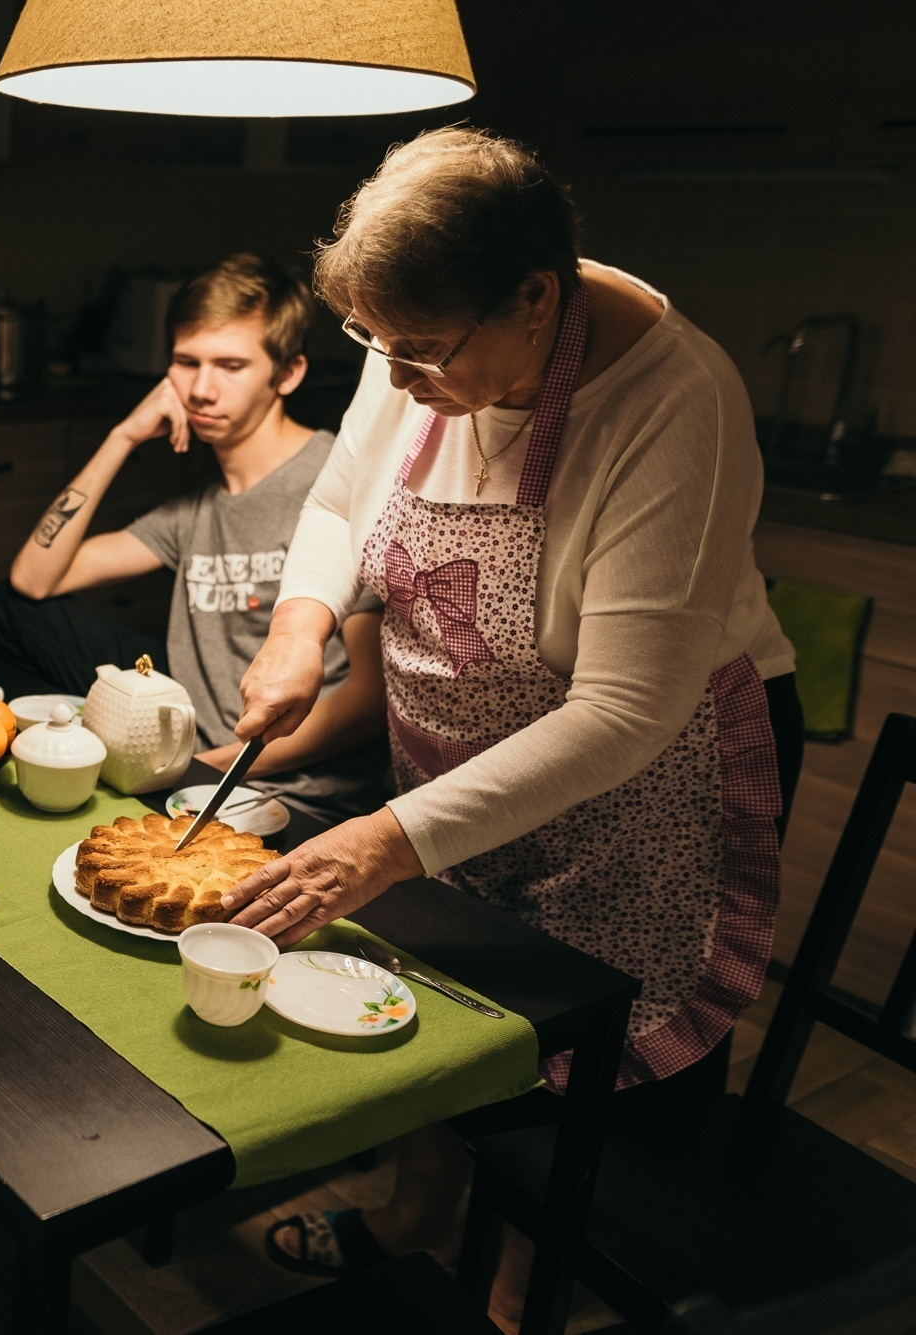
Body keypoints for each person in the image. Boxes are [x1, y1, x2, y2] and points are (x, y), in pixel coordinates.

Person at [217, 130, 803, 1322]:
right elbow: (340, 496)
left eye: (419, 351)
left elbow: (624, 710)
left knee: (581, 1045)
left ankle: (516, 1279)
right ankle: (417, 1206)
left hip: (642, 779)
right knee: (452, 1001)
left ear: (533, 297)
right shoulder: (424, 343)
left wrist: (385, 838)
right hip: (458, 765)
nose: (390, 378)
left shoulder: (669, 404)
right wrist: (299, 620)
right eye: (372, 344)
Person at [0, 254, 388, 820]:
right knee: (12, 608)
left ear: (288, 373)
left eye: (230, 365)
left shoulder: (334, 480)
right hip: (198, 755)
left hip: (292, 796)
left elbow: (369, 703)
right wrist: (123, 436)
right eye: (186, 362)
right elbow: (32, 580)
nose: (201, 389)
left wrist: (214, 767)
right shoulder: (193, 511)